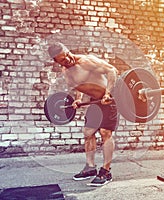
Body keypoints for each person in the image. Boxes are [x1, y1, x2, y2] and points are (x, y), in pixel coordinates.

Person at [48, 42, 119, 186]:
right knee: (88, 132)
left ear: (68, 50)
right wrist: (78, 99)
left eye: (67, 54)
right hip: (95, 102)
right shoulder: (66, 71)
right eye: (62, 59)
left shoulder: (87, 61)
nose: (68, 59)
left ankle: (106, 171)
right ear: (56, 62)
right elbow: (78, 85)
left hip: (109, 99)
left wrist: (108, 93)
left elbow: (112, 70)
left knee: (105, 132)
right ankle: (90, 167)